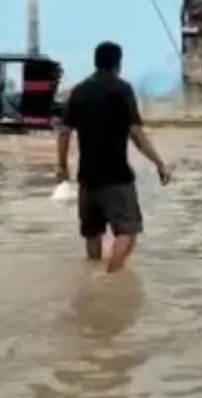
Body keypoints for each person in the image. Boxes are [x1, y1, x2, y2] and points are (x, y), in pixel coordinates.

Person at [56, 41, 170, 273]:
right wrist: (160, 163)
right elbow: (136, 135)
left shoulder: (79, 91)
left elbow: (64, 133)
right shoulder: (122, 90)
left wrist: (62, 167)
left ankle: (92, 277)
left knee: (92, 233)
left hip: (87, 178)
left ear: (95, 62)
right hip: (116, 176)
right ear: (118, 63)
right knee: (128, 231)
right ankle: (110, 278)